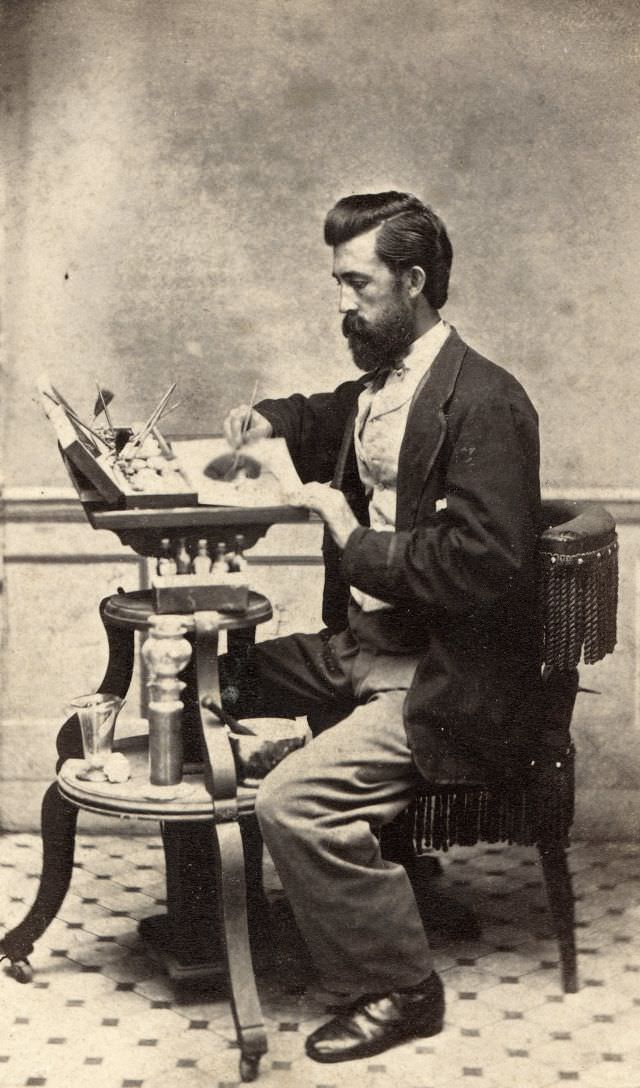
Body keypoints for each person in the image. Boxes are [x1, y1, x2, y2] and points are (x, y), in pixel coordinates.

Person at [221, 190, 543, 1063]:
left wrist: (349, 535)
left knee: (297, 802)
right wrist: (273, 420)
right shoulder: (388, 380)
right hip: (371, 645)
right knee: (210, 679)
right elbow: (336, 414)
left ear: (412, 280)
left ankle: (401, 984)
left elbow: (484, 566)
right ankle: (232, 917)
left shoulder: (489, 403)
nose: (341, 304)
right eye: (337, 283)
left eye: (356, 286)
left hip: (447, 672)